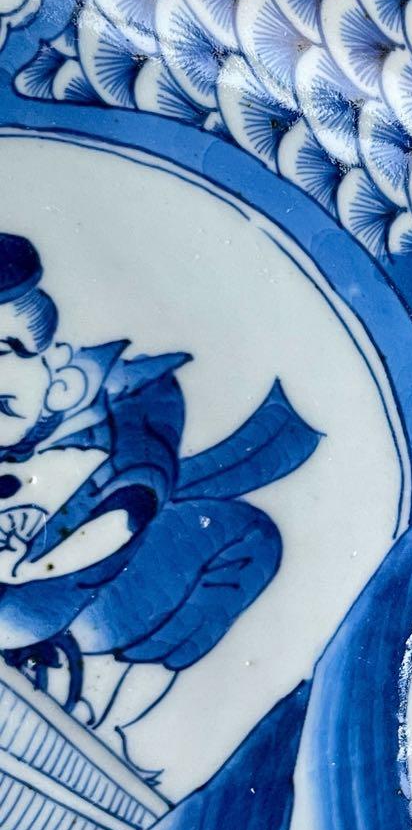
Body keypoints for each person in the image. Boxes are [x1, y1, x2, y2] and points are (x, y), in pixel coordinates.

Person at [0, 232, 321, 766]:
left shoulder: (126, 402)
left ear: (57, 367)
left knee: (243, 534)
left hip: (85, 591)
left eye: (5, 352)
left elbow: (133, 499)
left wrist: (35, 565)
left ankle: (114, 726)